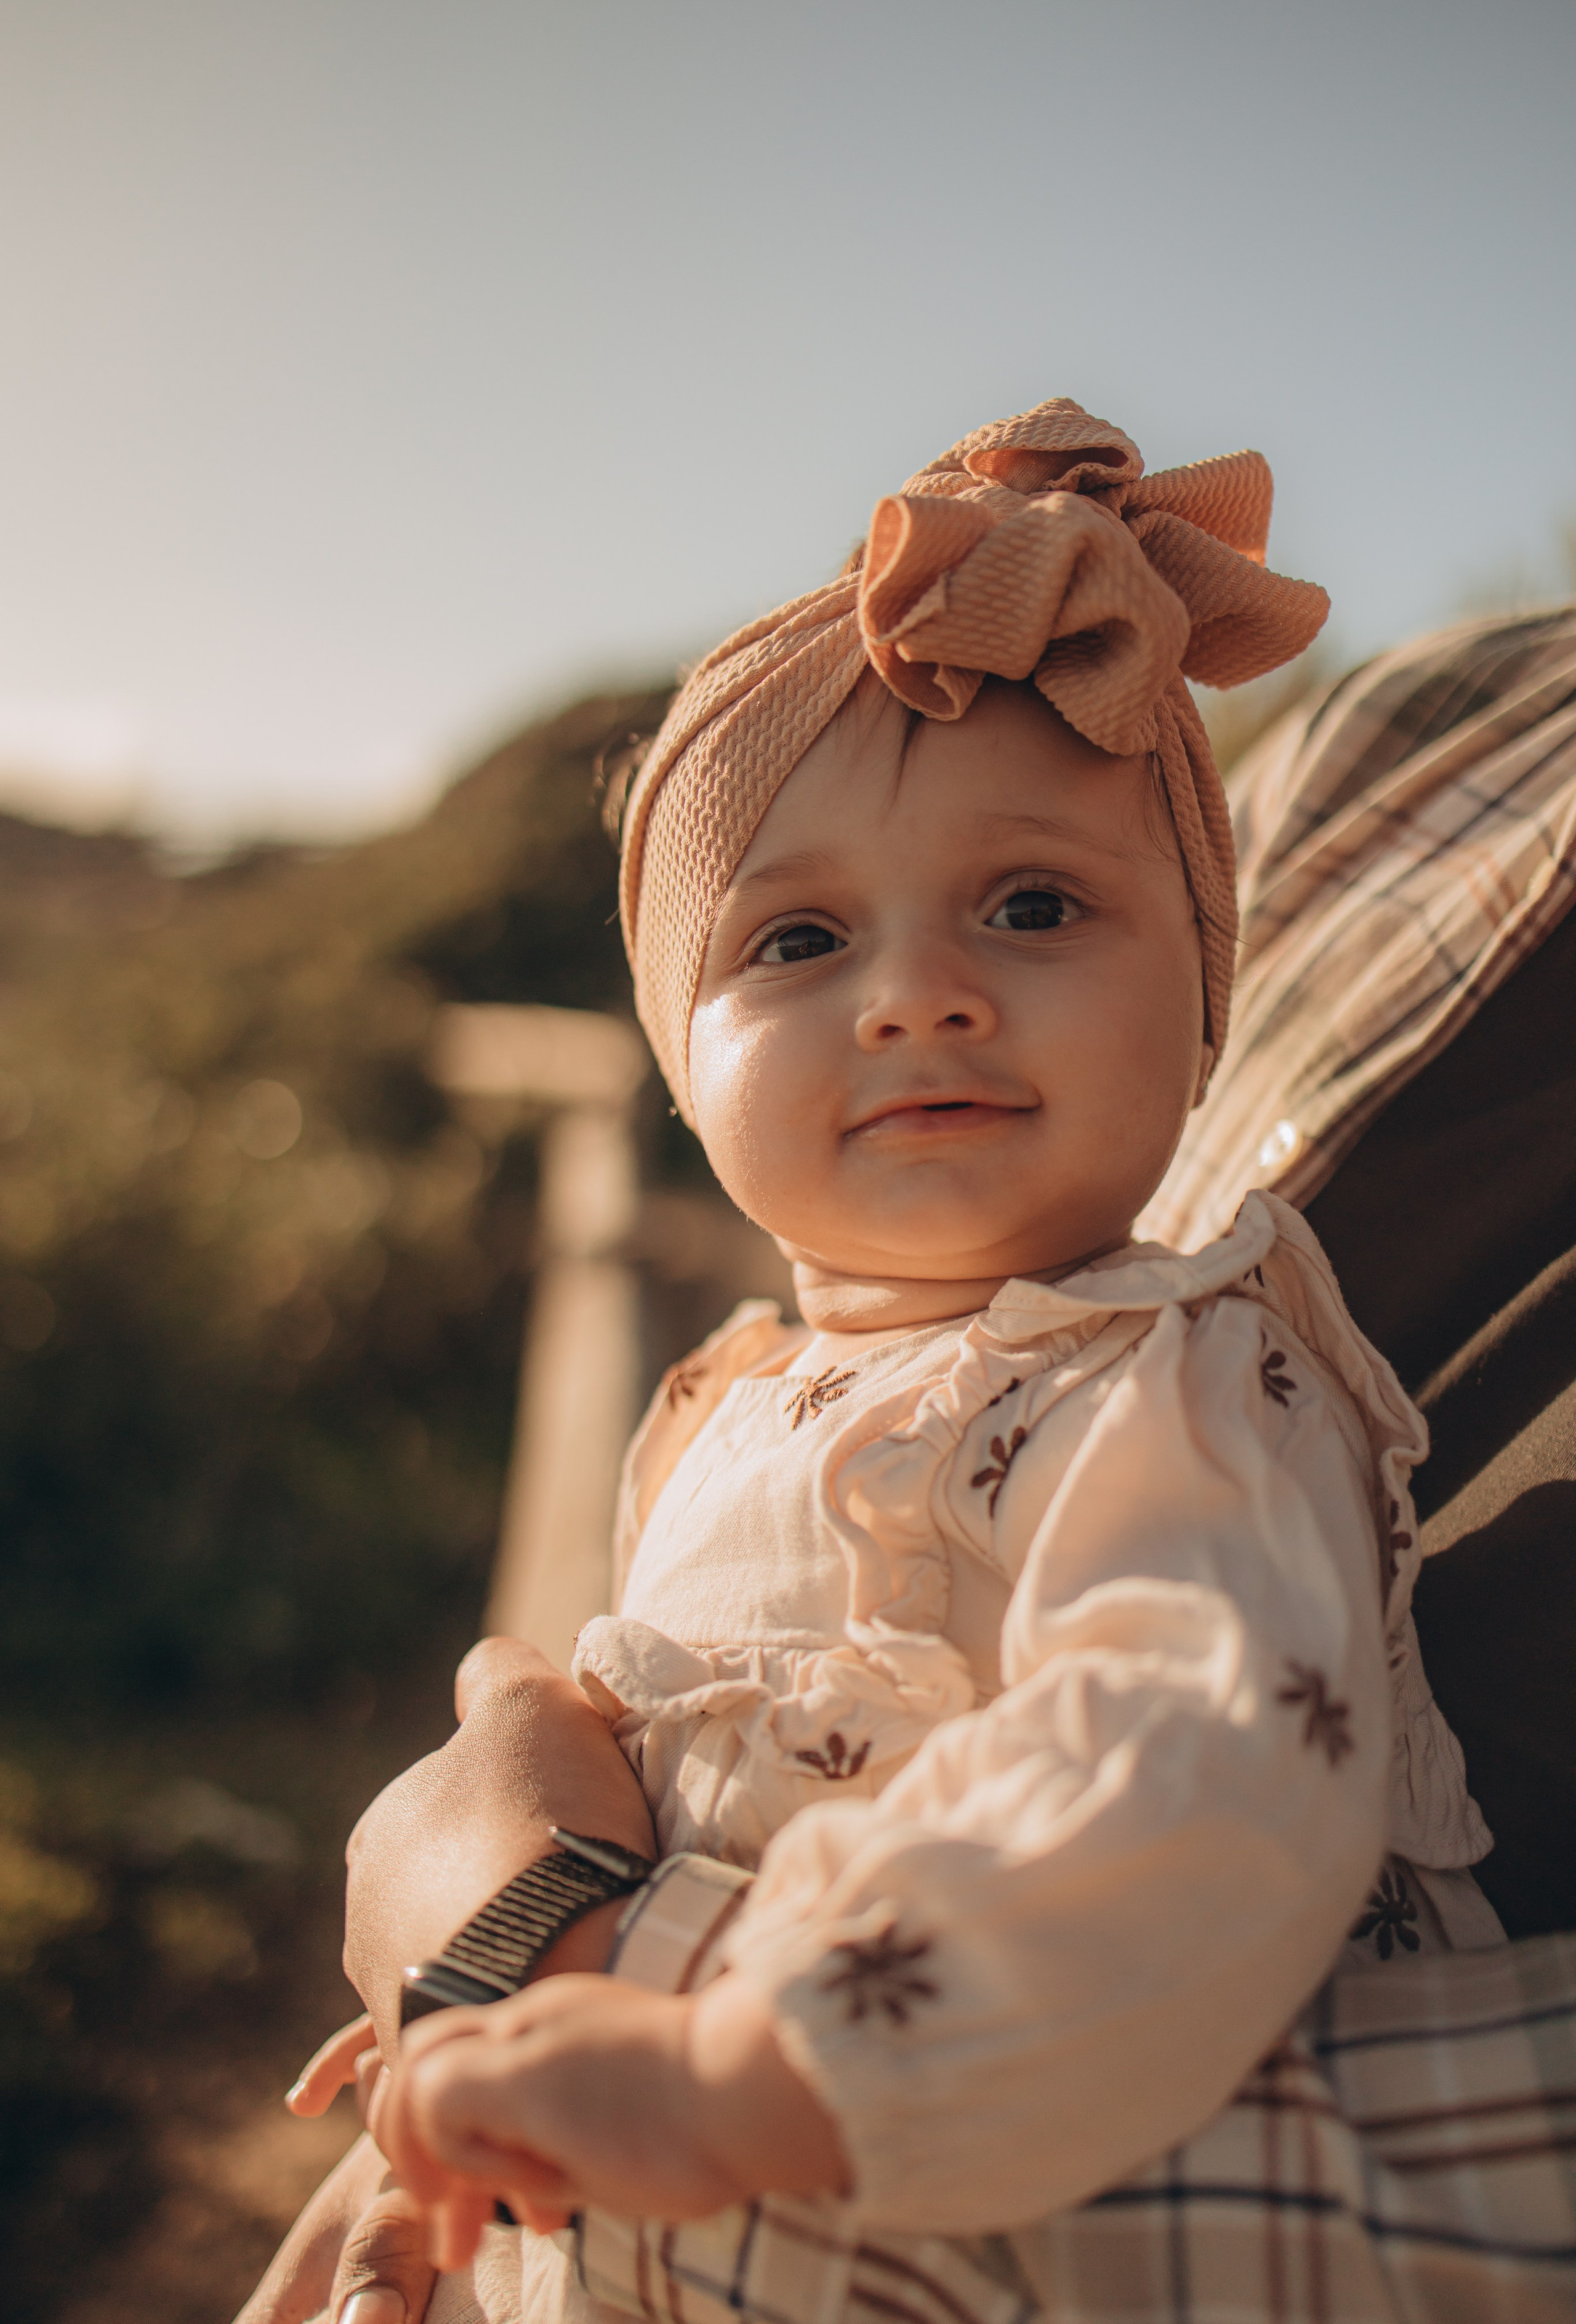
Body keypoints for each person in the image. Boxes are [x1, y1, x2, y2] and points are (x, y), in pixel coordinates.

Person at [243, 412, 1576, 2324]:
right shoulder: (727, 1406)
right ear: (679, 1061)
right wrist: (478, 2034)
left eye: (1036, 907)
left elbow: (1194, 1764)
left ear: (1207, 1004)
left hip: (943, 2163)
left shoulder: (1174, 1377)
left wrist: (756, 2064)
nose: (915, 992)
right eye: (794, 937)